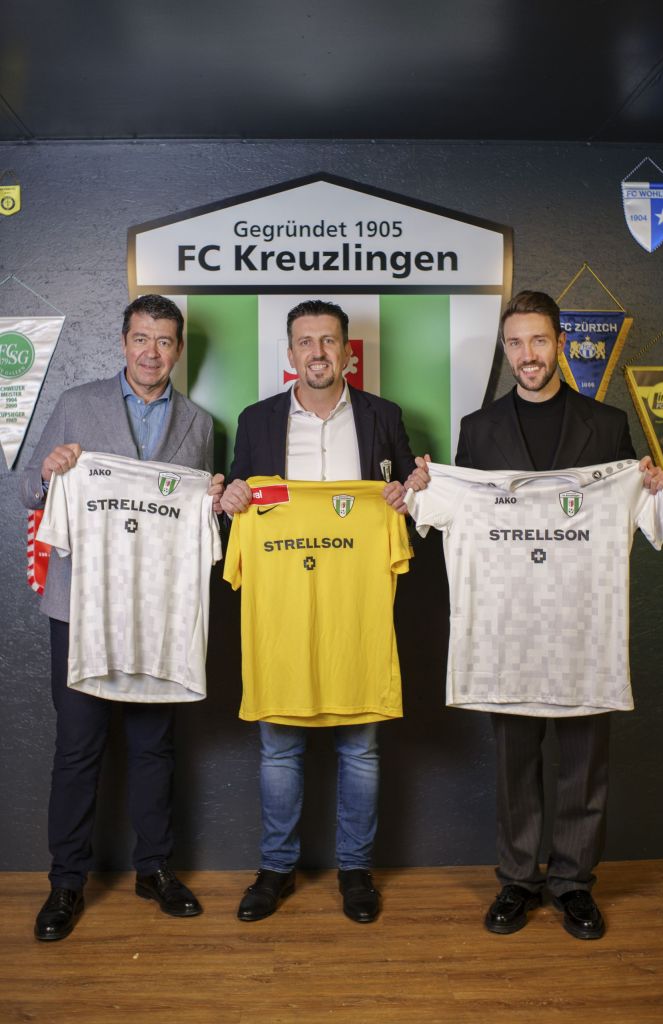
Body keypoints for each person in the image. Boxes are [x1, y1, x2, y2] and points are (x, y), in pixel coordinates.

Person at [407, 290, 663, 940]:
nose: (527, 354)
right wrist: (426, 488)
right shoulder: (478, 429)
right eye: (515, 343)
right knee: (514, 762)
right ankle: (518, 881)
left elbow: (628, 514)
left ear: (560, 343)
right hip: (511, 626)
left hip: (582, 625)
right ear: (506, 351)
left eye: (538, 340)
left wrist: (650, 486)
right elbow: (459, 516)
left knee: (585, 762)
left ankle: (574, 884)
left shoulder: (606, 423)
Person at [20, 294, 225, 941]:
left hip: (156, 612)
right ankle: (66, 880)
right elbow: (27, 489)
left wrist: (215, 500)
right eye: (141, 338)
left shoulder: (199, 424)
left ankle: (154, 868)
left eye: (164, 341)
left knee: (153, 744)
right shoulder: (77, 403)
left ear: (178, 349)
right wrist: (48, 472)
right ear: (123, 342)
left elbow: (199, 516)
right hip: (80, 606)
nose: (151, 352)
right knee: (78, 746)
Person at [221, 299, 416, 923]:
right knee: (279, 750)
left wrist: (411, 492)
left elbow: (413, 498)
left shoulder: (385, 417)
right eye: (305, 342)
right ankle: (276, 869)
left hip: (355, 618)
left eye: (329, 341)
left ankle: (355, 871)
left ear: (347, 353)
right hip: (283, 618)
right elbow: (235, 495)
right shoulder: (256, 421)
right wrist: (231, 497)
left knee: (361, 750)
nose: (318, 352)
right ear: (290, 354)